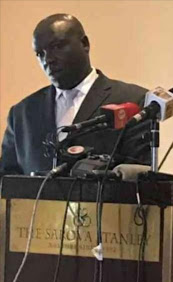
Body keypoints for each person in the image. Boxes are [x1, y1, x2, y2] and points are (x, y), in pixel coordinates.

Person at [0, 14, 148, 175]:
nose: (48, 59)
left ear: (85, 44)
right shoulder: (22, 113)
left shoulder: (133, 100)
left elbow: (137, 179)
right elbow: (7, 181)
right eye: (40, 54)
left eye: (57, 46)